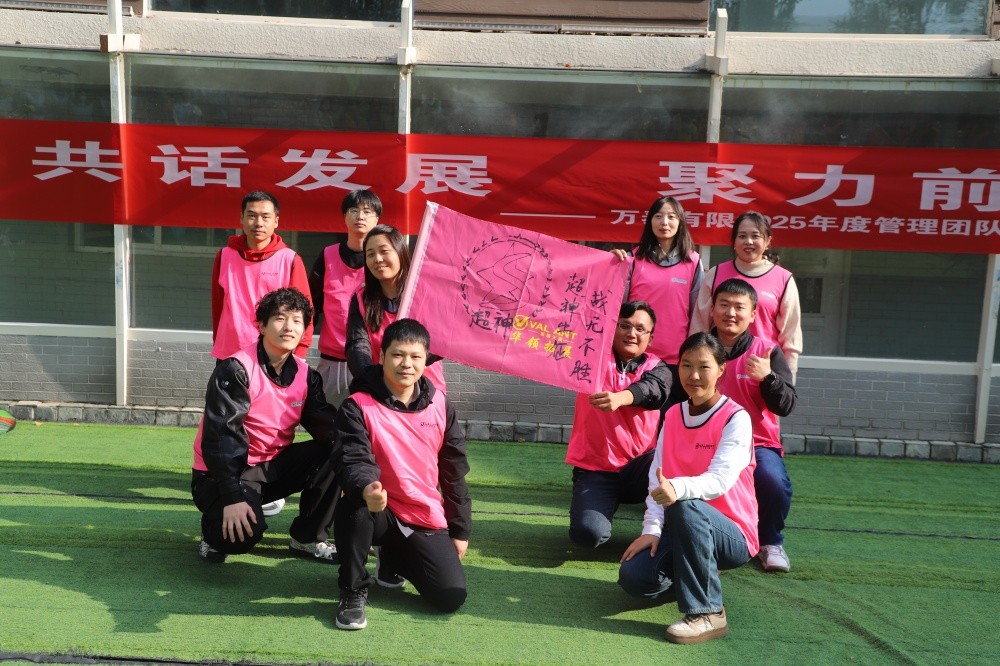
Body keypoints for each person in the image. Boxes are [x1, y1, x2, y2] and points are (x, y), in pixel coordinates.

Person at [618, 332, 757, 645]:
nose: (694, 375)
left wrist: (678, 488)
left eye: (704, 367)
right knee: (635, 578)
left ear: (721, 369)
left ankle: (709, 612)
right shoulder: (673, 414)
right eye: (686, 365)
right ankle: (699, 572)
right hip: (682, 526)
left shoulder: (736, 418)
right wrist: (652, 529)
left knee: (684, 502)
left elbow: (720, 480)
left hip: (732, 534)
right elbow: (657, 477)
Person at [332, 318, 471, 631]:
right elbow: (353, 458)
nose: (406, 363)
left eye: (415, 356)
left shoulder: (440, 404)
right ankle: (353, 589)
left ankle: (392, 558)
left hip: (422, 516)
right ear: (382, 356)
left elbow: (454, 472)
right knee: (354, 504)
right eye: (397, 354)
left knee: (449, 596)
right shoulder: (357, 405)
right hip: (378, 509)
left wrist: (460, 529)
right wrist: (367, 487)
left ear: (425, 360)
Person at [191, 287, 339, 565]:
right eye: (280, 318)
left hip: (269, 469)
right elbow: (220, 441)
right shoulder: (236, 369)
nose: (289, 327)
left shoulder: (307, 376)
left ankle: (307, 537)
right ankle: (212, 531)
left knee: (339, 449)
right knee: (241, 537)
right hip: (221, 474)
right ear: (262, 325)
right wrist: (232, 497)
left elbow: (327, 428)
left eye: (297, 321)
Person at [565, 301, 670, 548]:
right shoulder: (590, 358)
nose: (632, 333)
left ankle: (671, 531)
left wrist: (621, 398)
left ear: (650, 338)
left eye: (640, 329)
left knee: (672, 464)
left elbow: (654, 390)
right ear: (612, 329)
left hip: (642, 468)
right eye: (624, 326)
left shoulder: (659, 368)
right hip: (596, 469)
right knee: (588, 534)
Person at [710, 278, 797, 572]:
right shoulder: (699, 348)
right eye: (724, 305)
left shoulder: (767, 352)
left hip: (756, 443)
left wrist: (768, 379)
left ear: (753, 314)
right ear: (712, 310)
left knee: (773, 481)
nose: (731, 313)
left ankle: (770, 542)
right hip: (706, 441)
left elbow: (786, 405)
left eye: (739, 307)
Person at [613, 196, 704, 407]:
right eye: (658, 216)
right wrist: (610, 264)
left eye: (671, 217)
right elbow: (617, 307)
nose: (664, 222)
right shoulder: (633, 259)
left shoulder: (693, 262)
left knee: (669, 419)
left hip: (675, 359)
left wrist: (693, 355)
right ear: (650, 221)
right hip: (635, 356)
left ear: (680, 222)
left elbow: (697, 315)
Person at [690, 210, 802, 381]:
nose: (748, 241)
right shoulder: (716, 274)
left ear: (767, 241)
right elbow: (699, 325)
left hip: (764, 369)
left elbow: (790, 335)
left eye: (755, 236)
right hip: (718, 368)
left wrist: (787, 379)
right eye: (742, 236)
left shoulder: (783, 279)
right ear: (734, 241)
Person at [211, 190, 313, 362]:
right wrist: (218, 342)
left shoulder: (289, 260)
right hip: (230, 354)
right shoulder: (224, 256)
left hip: (273, 355)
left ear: (276, 221)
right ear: (241, 218)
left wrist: (299, 354)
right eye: (252, 216)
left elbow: (304, 310)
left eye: (265, 217)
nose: (258, 223)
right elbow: (218, 307)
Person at [345, 224, 446, 391]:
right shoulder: (361, 298)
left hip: (426, 390)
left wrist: (404, 366)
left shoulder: (427, 291)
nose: (377, 259)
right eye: (370, 254)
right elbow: (357, 345)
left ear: (400, 251)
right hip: (381, 389)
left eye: (384, 251)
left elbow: (441, 341)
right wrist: (369, 378)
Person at [309, 189, 383, 407]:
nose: (360, 216)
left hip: (374, 359)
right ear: (344, 216)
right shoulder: (327, 256)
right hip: (333, 360)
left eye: (367, 211)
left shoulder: (384, 261)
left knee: (371, 420)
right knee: (329, 419)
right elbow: (311, 307)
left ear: (377, 219)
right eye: (354, 210)